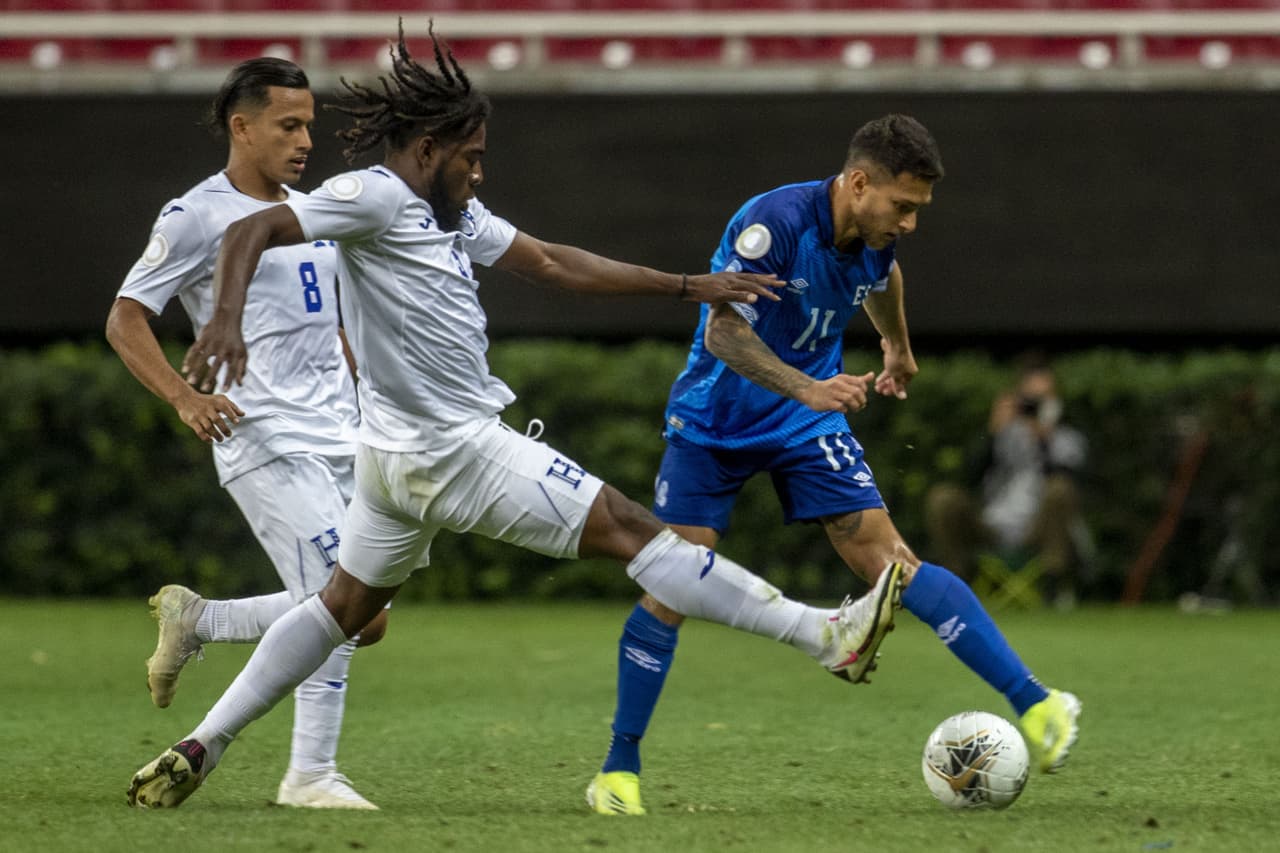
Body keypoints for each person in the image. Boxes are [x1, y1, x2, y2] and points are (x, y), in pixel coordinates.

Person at [125, 23, 904, 810]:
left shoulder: (451, 213)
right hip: (454, 449)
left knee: (340, 608)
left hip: (390, 462)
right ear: (428, 149)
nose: (479, 171)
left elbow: (554, 262)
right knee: (636, 531)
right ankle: (824, 636)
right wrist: (222, 319)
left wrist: (682, 286)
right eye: (471, 157)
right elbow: (255, 227)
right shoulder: (375, 195)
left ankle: (201, 744)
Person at [587, 115, 1082, 816]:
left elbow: (884, 277)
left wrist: (895, 346)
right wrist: (810, 386)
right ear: (857, 184)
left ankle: (1036, 705)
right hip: (712, 424)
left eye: (919, 211)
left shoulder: (875, 239)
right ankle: (618, 770)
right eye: (902, 206)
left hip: (801, 423)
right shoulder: (773, 224)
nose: (909, 223)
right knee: (675, 583)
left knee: (893, 567)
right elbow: (724, 331)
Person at [107, 57, 388, 810]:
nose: (304, 141)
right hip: (263, 435)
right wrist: (181, 396)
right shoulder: (195, 214)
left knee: (367, 612)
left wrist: (371, 402)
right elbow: (125, 316)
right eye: (288, 125)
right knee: (343, 605)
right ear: (242, 127)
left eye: (308, 126)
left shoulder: (309, 211)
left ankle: (199, 620)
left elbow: (332, 324)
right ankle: (310, 775)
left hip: (341, 434)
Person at [926, 357, 1094, 607]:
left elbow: (1071, 482)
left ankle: (1055, 586)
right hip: (993, 523)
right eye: (1030, 400)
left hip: (1039, 527)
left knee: (1060, 489)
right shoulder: (1002, 433)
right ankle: (956, 585)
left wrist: (1043, 439)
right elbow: (968, 476)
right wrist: (992, 433)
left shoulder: (1068, 438)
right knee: (944, 498)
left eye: (1043, 399)